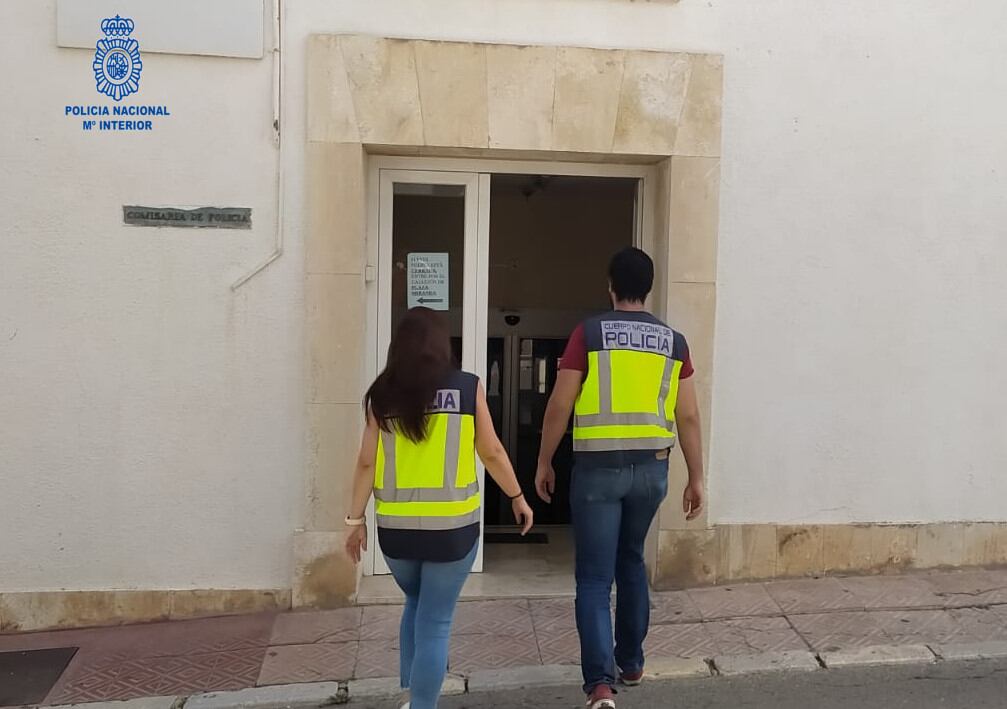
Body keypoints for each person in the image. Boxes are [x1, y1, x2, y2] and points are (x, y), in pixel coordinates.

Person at [535, 247, 705, 709]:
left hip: (597, 471)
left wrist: (544, 460)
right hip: (652, 469)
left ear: (610, 286)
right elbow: (687, 416)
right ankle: (631, 662)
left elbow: (559, 404)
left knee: (593, 577)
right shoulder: (675, 343)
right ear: (648, 288)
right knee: (631, 561)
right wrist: (697, 477)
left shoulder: (588, 334)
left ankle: (600, 686)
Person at [345, 307, 534, 709]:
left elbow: (366, 461)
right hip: (452, 532)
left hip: (396, 534)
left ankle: (416, 695)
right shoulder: (467, 388)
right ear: (441, 345)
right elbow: (492, 451)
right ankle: (423, 704)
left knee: (417, 605)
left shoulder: (381, 395)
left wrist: (354, 519)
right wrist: (517, 496)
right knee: (435, 620)